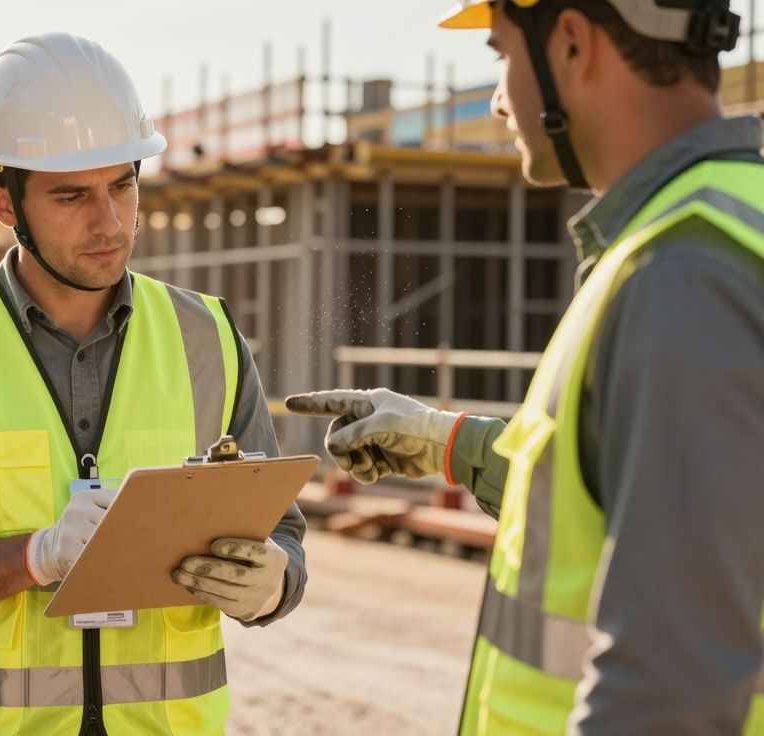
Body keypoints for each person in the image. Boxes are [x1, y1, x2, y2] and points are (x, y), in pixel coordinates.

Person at [288, 1, 764, 732]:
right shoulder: (721, 227)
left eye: (501, 53)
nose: (499, 99)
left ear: (572, 42)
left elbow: (671, 689)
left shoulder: (679, 274)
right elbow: (634, 507)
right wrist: (446, 441)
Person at [0, 32, 307, 735]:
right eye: (71, 196)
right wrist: (35, 557)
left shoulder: (207, 339)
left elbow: (281, 534)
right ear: (3, 202)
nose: (109, 221)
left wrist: (275, 584)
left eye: (123, 183)